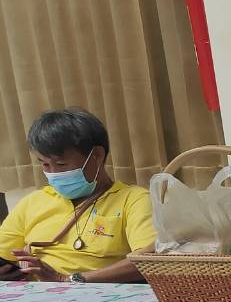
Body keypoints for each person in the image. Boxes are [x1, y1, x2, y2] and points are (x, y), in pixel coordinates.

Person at [0, 108, 155, 284]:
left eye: (61, 164)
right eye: (45, 164)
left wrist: (68, 279)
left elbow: (148, 261)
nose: (53, 173)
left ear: (97, 155)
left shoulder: (134, 199)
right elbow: (4, 254)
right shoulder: (32, 202)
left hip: (102, 299)